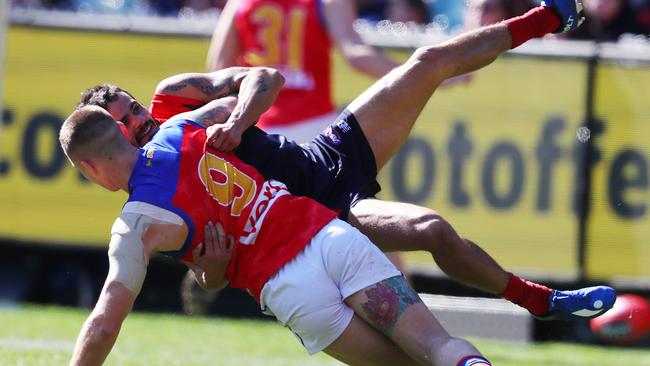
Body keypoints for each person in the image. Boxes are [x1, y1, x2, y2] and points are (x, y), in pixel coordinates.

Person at [78, 0, 616, 324]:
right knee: (430, 229)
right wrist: (211, 270)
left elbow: (260, 77)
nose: (141, 121)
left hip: (319, 151)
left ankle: (549, 15)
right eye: (125, 121)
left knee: (427, 62)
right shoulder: (146, 197)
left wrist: (238, 122)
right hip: (307, 213)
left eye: (134, 106)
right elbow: (208, 270)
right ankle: (540, 301)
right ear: (109, 139)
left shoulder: (174, 99)